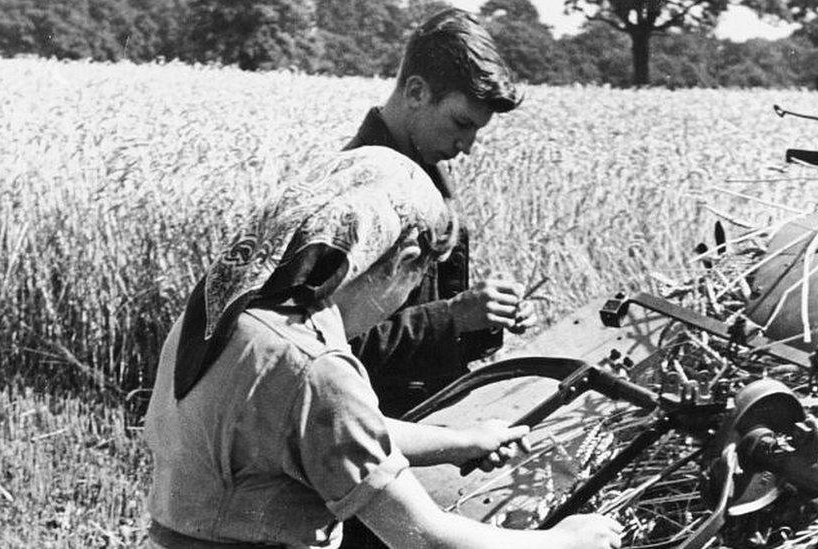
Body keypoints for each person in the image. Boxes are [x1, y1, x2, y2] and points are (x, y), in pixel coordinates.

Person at [144, 146, 622, 548]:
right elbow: (423, 538)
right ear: (405, 260)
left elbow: (326, 429)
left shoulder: (233, 307)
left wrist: (464, 442)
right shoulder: (316, 366)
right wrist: (566, 540)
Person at [344, 8, 537, 419]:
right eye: (460, 123)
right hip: (374, 434)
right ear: (416, 93)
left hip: (436, 418)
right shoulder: (359, 191)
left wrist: (487, 316)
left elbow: (438, 336)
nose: (466, 146)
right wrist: (455, 315)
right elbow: (326, 351)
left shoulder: (431, 184)